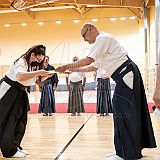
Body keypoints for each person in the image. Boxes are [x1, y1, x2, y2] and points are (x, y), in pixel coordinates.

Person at [55, 22, 157, 159]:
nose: (85, 40)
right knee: (123, 110)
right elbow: (92, 67)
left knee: (124, 111)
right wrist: (71, 70)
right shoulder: (103, 44)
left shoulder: (102, 39)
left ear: (90, 29)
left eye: (84, 36)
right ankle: (124, 151)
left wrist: (66, 65)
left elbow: (88, 60)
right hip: (125, 75)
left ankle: (126, 153)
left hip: (126, 74)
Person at [0, 45, 53, 158]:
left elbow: (32, 80)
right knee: (9, 121)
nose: (39, 61)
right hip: (9, 92)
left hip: (20, 93)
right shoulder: (21, 61)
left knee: (21, 120)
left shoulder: (32, 65)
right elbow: (20, 76)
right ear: (32, 55)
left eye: (41, 60)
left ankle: (15, 146)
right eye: (38, 59)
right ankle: (9, 150)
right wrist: (38, 73)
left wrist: (48, 75)